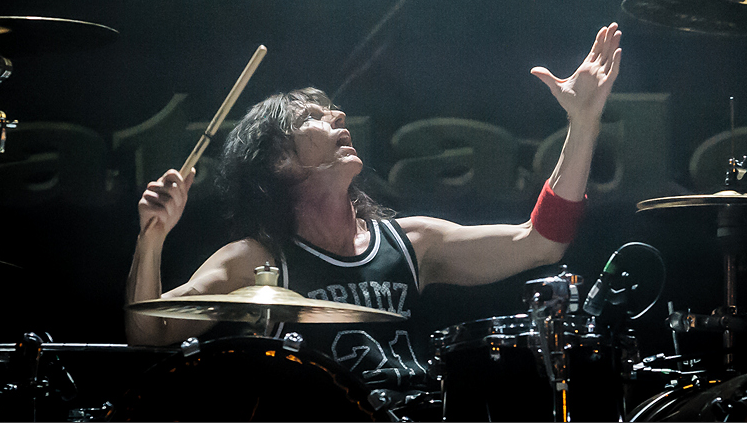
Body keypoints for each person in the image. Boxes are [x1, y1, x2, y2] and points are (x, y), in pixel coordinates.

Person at [125, 22, 622, 397]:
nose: (338, 115)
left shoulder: (412, 243)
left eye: (332, 109)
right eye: (313, 116)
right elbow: (152, 332)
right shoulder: (255, 261)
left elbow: (541, 242)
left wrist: (583, 123)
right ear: (279, 160)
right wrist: (152, 238)